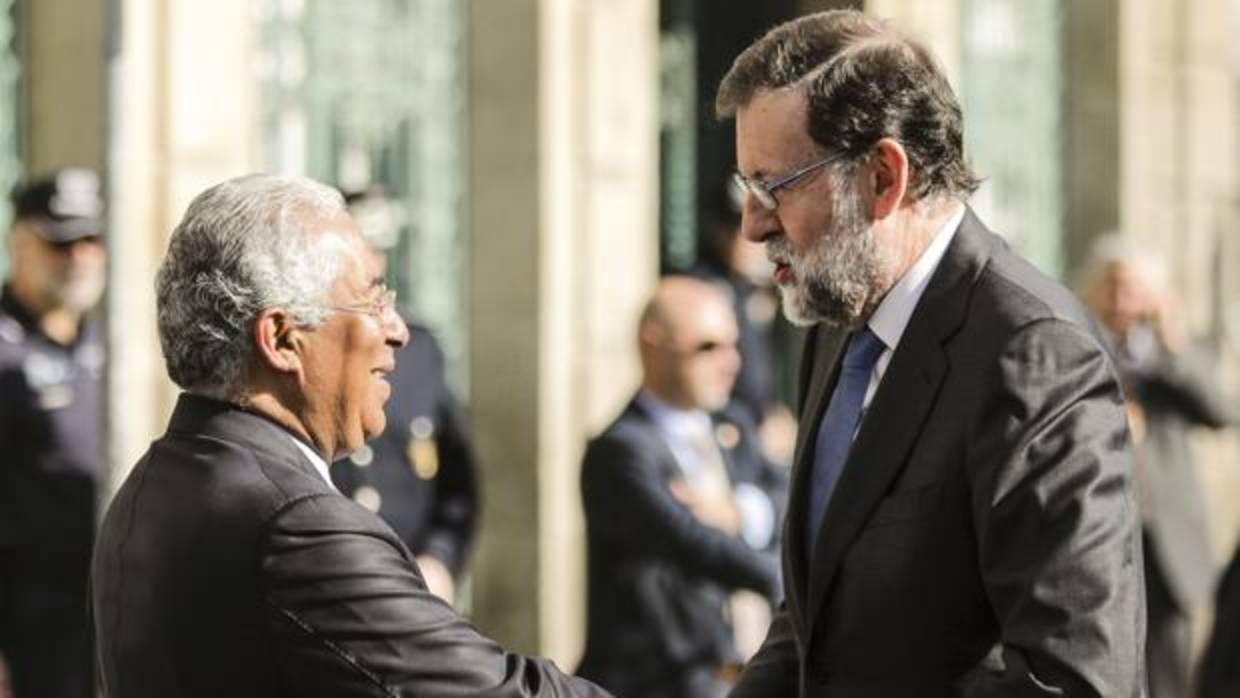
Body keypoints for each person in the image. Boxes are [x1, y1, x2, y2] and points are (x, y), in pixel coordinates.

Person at [715, 10, 1145, 696]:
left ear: (885, 177)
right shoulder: (838, 317)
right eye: (746, 189)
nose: (752, 225)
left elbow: (1075, 680)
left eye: (773, 187)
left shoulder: (1035, 356)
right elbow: (814, 625)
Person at [91, 174, 609, 697]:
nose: (397, 330)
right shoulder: (299, 525)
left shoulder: (155, 481)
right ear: (282, 339)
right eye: (371, 301)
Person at [577, 276, 784, 698]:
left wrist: (739, 511)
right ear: (653, 345)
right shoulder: (621, 451)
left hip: (737, 675)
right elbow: (689, 541)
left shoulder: (733, 426)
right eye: (708, 347)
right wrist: (783, 580)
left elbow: (788, 496)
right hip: (657, 683)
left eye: (734, 345)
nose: (730, 363)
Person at [1079, 237, 1240, 698]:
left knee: (1171, 674)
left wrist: (1171, 344)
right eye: (1112, 286)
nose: (1122, 301)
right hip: (1102, 536)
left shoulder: (1172, 356)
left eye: (1133, 289)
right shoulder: (1077, 344)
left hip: (1167, 544)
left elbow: (1222, 412)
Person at [330, 187, 479, 605]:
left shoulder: (418, 348)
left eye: (378, 251)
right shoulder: (318, 349)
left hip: (411, 586)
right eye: (359, 254)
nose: (372, 265)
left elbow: (457, 482)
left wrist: (440, 559)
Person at [0, 169, 106, 698]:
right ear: (18, 242)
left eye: (91, 240)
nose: (79, 256)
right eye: (61, 242)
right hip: (26, 622)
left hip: (101, 617)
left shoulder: (113, 346)